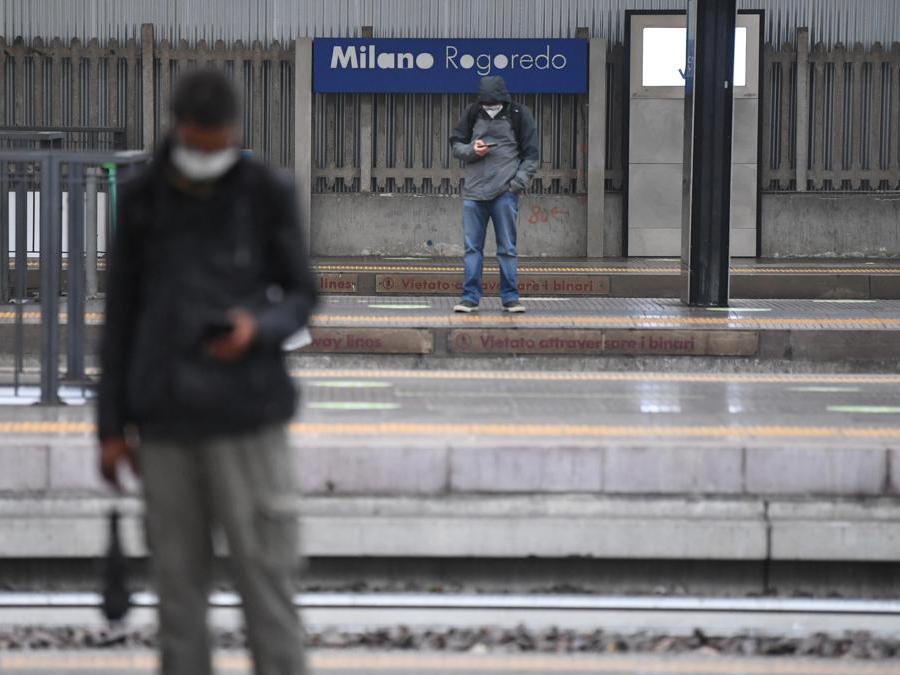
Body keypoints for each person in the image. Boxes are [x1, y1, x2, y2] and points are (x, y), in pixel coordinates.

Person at [96, 69, 318, 675]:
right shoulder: (143, 199)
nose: (209, 151)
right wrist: (110, 427)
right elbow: (120, 317)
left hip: (249, 417)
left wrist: (258, 327)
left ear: (234, 130)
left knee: (268, 588)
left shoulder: (265, 190)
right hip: (165, 423)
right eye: (200, 139)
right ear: (178, 127)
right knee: (178, 598)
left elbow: (302, 294)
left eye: (219, 139)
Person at [449, 75, 539, 313]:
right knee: (472, 249)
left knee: (507, 248)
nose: (490, 110)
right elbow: (456, 145)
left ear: (503, 100)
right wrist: (472, 150)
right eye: (486, 106)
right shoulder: (471, 112)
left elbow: (531, 155)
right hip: (473, 194)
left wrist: (516, 184)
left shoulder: (520, 114)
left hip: (505, 193)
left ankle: (510, 297)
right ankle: (470, 297)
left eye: (494, 106)